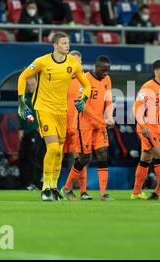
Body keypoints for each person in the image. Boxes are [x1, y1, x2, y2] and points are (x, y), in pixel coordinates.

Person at [17, 32, 91, 201]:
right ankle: (45, 188)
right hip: (44, 109)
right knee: (52, 148)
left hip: (61, 111)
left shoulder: (73, 64)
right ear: (55, 45)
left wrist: (83, 100)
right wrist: (22, 103)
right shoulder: (42, 62)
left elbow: (87, 85)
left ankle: (54, 186)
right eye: (64, 43)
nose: (67, 46)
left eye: (68, 43)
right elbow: (23, 77)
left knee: (59, 152)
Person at [61, 55, 115, 201]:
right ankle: (66, 188)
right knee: (84, 158)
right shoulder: (84, 79)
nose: (106, 74)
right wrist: (103, 121)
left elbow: (109, 100)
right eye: (104, 70)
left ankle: (103, 193)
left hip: (100, 125)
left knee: (103, 153)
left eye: (108, 71)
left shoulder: (107, 79)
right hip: (83, 125)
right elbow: (82, 106)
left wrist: (109, 117)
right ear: (96, 67)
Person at [131, 60, 160, 200]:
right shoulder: (147, 87)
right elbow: (136, 108)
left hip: (158, 128)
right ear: (156, 72)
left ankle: (136, 193)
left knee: (145, 159)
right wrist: (143, 126)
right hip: (147, 128)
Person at [18, 76, 45, 190]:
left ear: (36, 84)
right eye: (28, 85)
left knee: (36, 157)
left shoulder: (41, 96)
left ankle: (37, 182)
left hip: (37, 131)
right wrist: (20, 129)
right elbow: (21, 113)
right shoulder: (24, 98)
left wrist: (40, 126)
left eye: (32, 85)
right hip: (26, 132)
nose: (30, 87)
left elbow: (43, 113)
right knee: (25, 157)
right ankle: (28, 182)